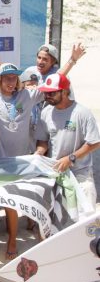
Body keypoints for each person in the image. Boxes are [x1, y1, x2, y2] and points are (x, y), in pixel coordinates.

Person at [0, 63, 44, 259]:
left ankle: (12, 240)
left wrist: (72, 61)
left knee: (12, 203)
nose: (11, 81)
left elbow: (53, 84)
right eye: (7, 78)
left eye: (14, 78)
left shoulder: (27, 95)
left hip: (19, 161)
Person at [35, 73, 100, 208]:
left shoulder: (82, 113)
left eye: (51, 93)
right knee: (59, 218)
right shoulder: (46, 112)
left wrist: (70, 158)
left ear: (64, 92)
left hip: (81, 173)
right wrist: (39, 153)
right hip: (56, 171)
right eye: (46, 93)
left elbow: (94, 142)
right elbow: (43, 141)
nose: (47, 97)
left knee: (86, 218)